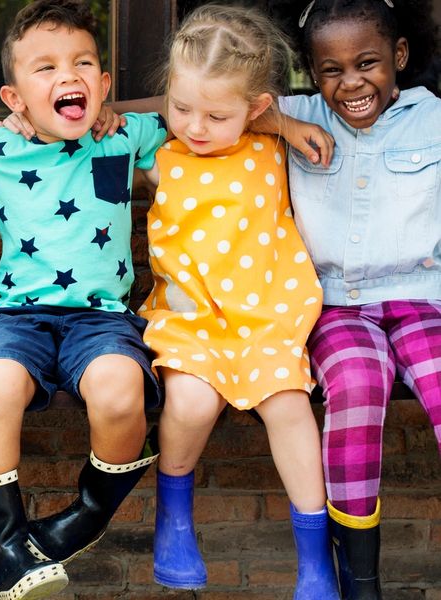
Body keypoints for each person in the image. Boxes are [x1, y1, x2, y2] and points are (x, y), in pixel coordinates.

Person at [108, 4, 338, 597]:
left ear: (256, 110)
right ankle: (174, 519)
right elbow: (117, 118)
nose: (196, 126)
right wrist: (119, 114)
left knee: (289, 406)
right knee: (189, 401)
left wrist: (281, 127)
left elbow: (279, 119)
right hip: (190, 321)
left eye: (216, 114)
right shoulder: (162, 155)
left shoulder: (270, 148)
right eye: (181, 108)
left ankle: (315, 560)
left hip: (266, 318)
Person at [0, 1, 165, 598]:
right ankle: (5, 546)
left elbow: (201, 104)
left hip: (102, 321)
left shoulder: (123, 134)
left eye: (82, 65)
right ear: (13, 97)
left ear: (102, 84)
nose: (66, 76)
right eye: (43, 69)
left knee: (121, 395)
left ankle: (84, 517)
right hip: (19, 317)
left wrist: (118, 109)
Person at [266, 1, 441, 597]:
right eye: (331, 69)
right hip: (336, 305)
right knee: (358, 385)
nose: (351, 82)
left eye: (367, 62)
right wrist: (285, 127)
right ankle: (359, 579)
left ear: (399, 56)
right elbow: (207, 103)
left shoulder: (434, 119)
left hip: (423, 300)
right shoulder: (295, 114)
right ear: (313, 74)